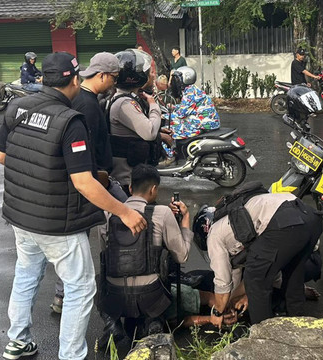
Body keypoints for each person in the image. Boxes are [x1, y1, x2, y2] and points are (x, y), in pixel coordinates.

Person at [0, 51, 146, 360]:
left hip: (21, 217)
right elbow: (84, 183)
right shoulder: (69, 121)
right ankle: (72, 355)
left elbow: (1, 155)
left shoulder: (17, 107)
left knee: (26, 274)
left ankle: (18, 340)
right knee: (80, 287)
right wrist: (125, 211)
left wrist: (42, 169)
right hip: (58, 224)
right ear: (74, 80)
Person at [48, 52, 121, 314]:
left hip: (91, 177)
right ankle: (72, 295)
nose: (114, 83)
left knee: (77, 239)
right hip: (91, 180)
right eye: (113, 77)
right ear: (101, 75)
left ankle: (61, 296)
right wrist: (96, 175)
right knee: (122, 218)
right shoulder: (87, 105)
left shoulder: (84, 99)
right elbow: (82, 149)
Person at [205, 179, 323, 326]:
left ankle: (264, 337)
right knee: (293, 273)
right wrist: (230, 303)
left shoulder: (214, 235)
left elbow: (223, 283)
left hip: (285, 223)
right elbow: (265, 272)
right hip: (310, 217)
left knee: (255, 280)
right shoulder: (236, 216)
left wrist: (218, 312)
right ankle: (298, 324)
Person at [98, 164, 192, 349]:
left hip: (115, 298)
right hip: (151, 298)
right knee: (165, 263)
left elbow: (105, 256)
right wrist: (186, 218)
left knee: (97, 278)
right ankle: (153, 320)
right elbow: (182, 256)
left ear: (130, 188)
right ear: (154, 189)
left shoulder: (108, 214)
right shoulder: (162, 213)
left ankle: (112, 324)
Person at [109, 49, 162, 192]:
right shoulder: (124, 103)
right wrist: (153, 105)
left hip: (131, 174)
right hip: (127, 179)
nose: (149, 74)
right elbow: (149, 132)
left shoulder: (125, 98)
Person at [160, 66, 221, 162]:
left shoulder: (189, 93)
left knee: (165, 130)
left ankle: (170, 156)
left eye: (177, 78)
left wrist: (162, 116)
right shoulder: (191, 89)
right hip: (204, 121)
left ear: (186, 78)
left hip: (202, 124)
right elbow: (188, 108)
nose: (175, 81)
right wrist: (174, 107)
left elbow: (181, 114)